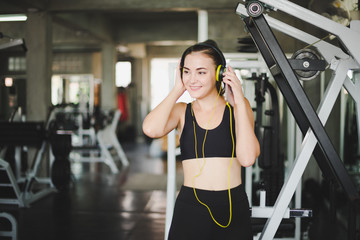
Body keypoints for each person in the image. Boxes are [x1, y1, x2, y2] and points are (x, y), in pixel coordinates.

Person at [142, 40, 260, 240]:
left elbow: (248, 158)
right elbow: (150, 129)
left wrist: (239, 101)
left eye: (201, 72)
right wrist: (176, 90)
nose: (192, 79)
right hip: (191, 207)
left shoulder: (238, 107)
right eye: (187, 71)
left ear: (219, 74)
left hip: (232, 205)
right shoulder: (181, 111)